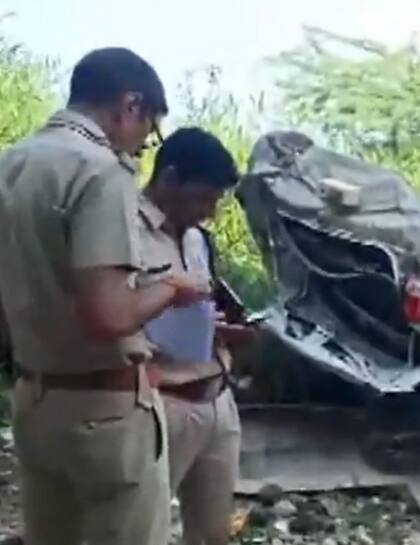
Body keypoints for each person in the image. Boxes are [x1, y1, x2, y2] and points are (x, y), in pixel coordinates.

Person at [0, 48, 212, 545]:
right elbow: (108, 316)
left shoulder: (3, 168)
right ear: (130, 105)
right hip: (107, 409)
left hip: (34, 400)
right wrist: (173, 287)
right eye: (149, 132)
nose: (143, 146)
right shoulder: (101, 171)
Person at [138, 127, 256, 545]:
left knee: (212, 533)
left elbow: (199, 306)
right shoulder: (123, 233)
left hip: (216, 398)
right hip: (161, 402)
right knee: (142, 527)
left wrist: (222, 329)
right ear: (168, 179)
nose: (208, 212)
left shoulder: (197, 239)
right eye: (201, 199)